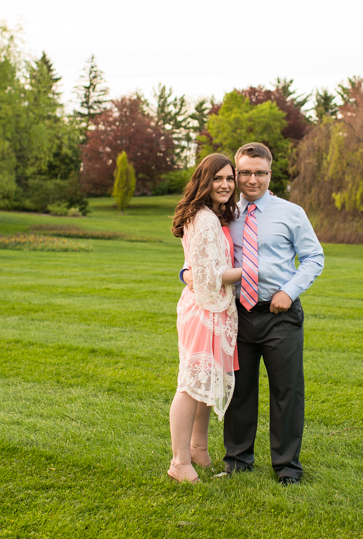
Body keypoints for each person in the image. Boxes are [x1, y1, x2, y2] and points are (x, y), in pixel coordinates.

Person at [182, 142, 324, 485]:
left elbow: (314, 258)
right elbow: (200, 258)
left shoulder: (292, 213)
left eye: (259, 172)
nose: (251, 179)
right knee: (240, 390)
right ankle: (237, 461)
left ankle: (287, 467)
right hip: (238, 314)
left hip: (280, 314)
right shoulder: (223, 215)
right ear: (236, 172)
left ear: (269, 174)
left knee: (286, 391)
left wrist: (289, 293)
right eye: (244, 172)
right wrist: (186, 274)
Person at [168, 153, 243, 483]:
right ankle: (179, 462)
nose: (225, 184)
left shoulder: (210, 215)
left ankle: (198, 448)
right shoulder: (205, 218)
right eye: (218, 179)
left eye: (229, 179)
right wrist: (253, 273)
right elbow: (208, 273)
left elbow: (194, 267)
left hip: (212, 308)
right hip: (204, 310)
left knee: (204, 383)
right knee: (190, 384)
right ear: (205, 180)